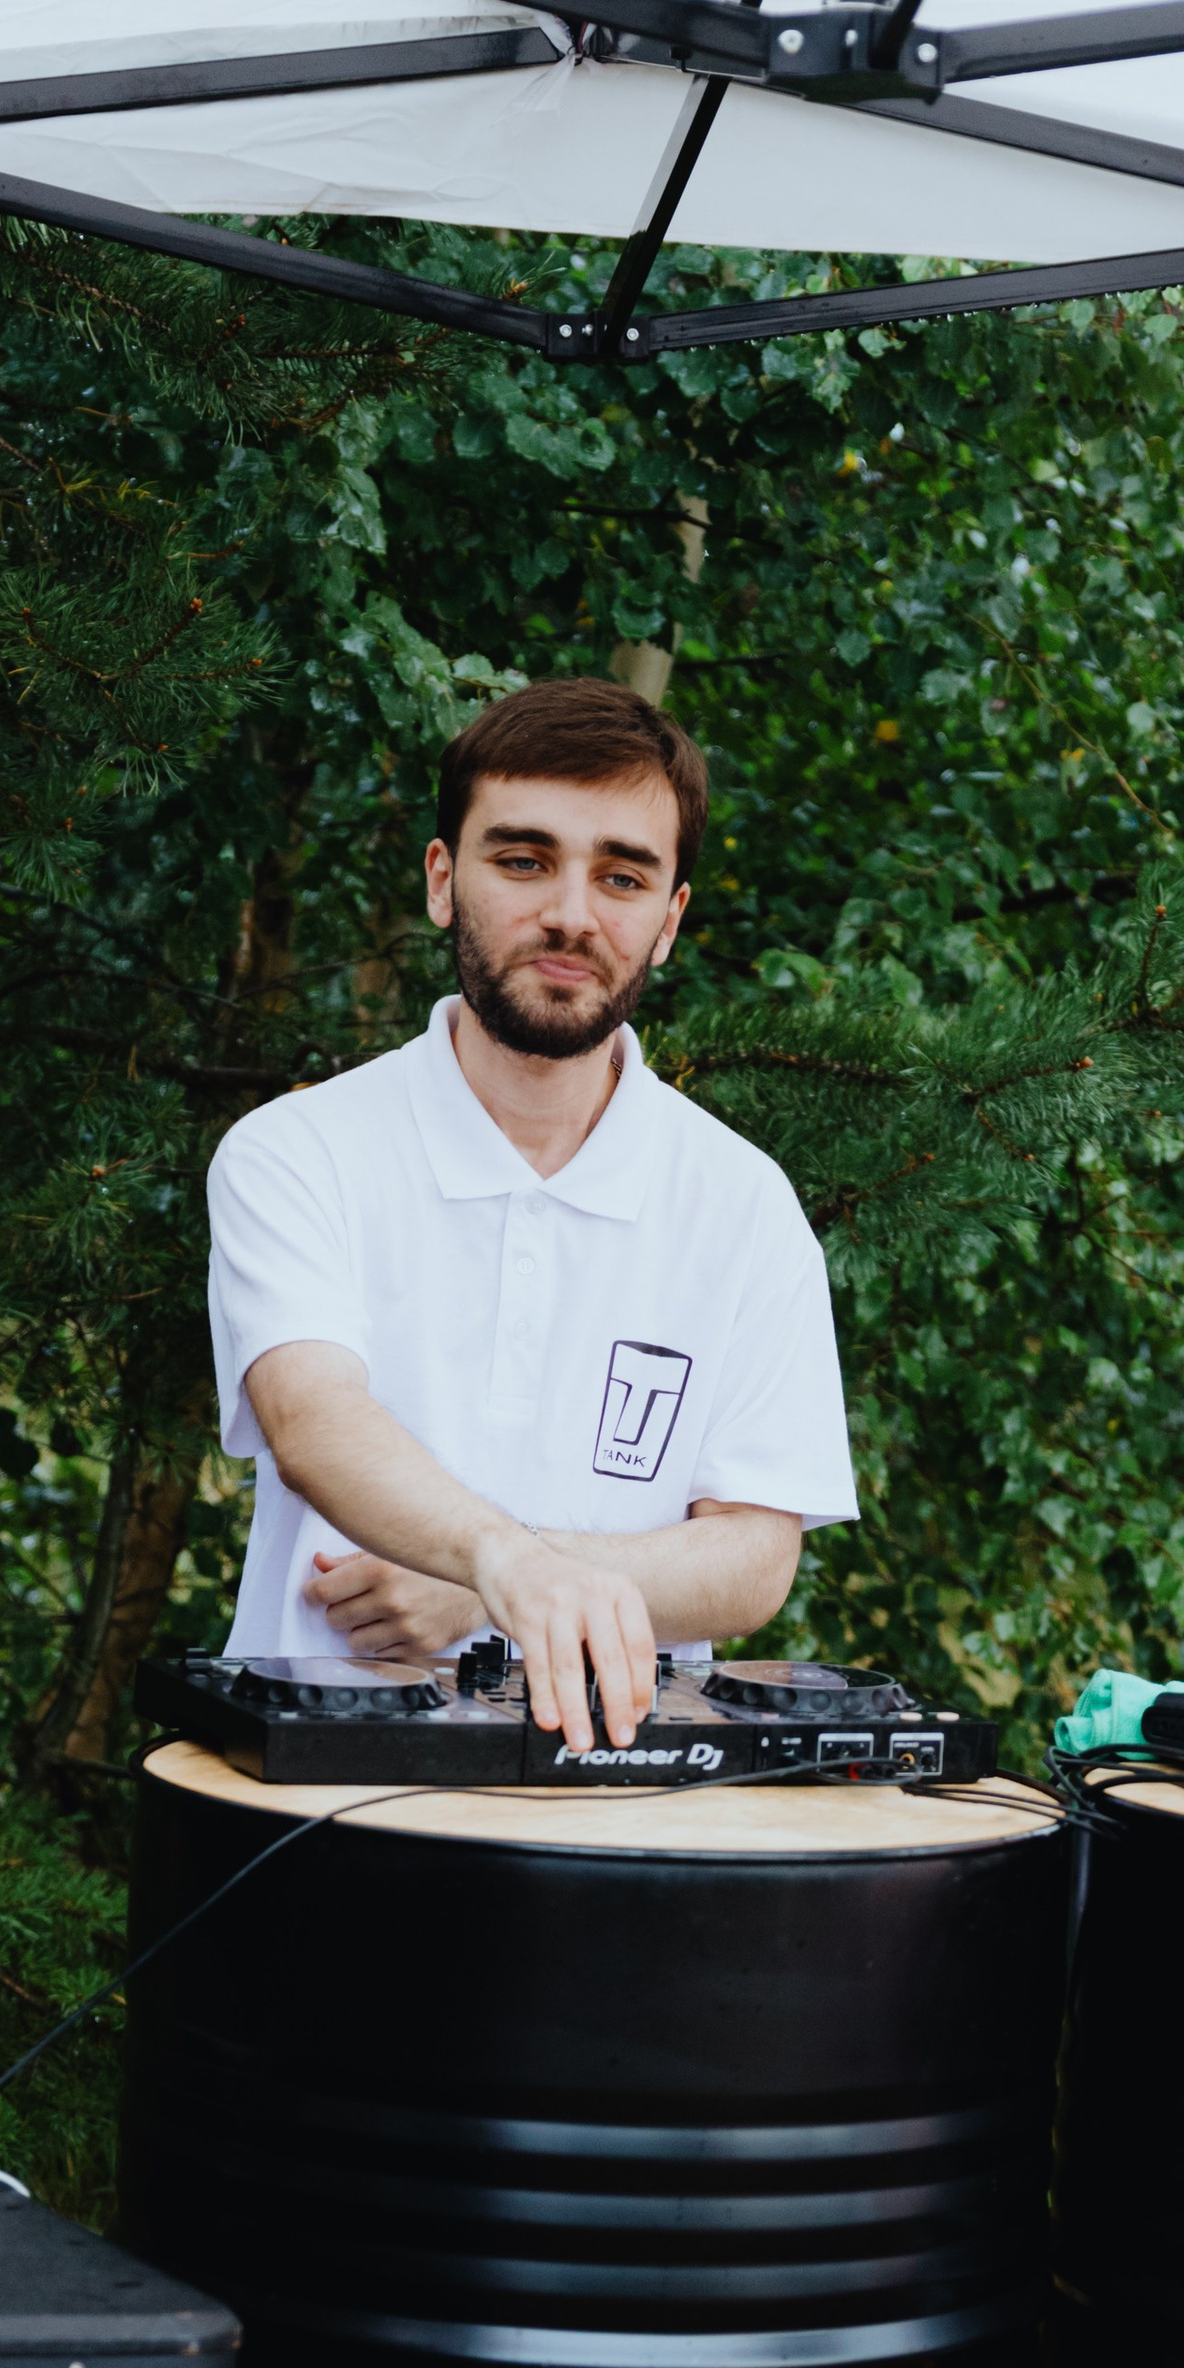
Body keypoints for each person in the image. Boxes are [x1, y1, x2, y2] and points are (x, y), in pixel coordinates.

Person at [206, 675, 856, 1755]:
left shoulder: (745, 1206)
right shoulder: (297, 1152)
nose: (571, 913)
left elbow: (754, 1558)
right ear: (442, 880)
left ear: (668, 922)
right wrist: (507, 1563)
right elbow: (313, 1423)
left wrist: (488, 1583)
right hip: (320, 1782)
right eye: (523, 860)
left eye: (622, 877)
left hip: (625, 1802)